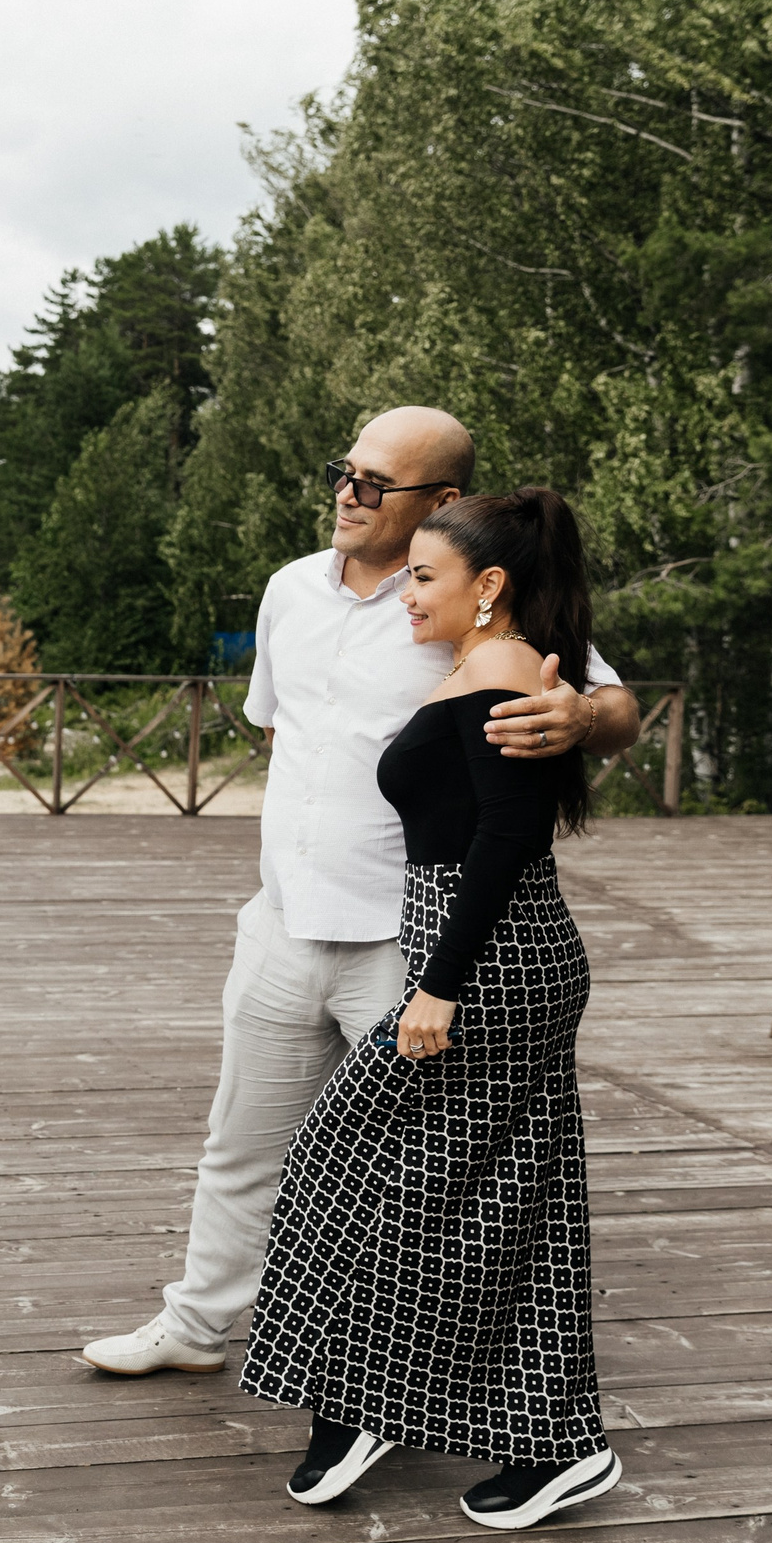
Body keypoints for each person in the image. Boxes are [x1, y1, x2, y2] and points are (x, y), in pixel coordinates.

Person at [80, 405, 639, 1378]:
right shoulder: (290, 589)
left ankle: (391, 1370)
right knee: (240, 1147)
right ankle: (197, 1328)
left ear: (445, 502)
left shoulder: (460, 599)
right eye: (344, 471)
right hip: (281, 925)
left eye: (375, 483)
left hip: (407, 944)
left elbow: (614, 706)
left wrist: (578, 716)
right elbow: (277, 731)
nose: (347, 493)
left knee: (406, 1177)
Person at [242, 486, 619, 1530]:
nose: (406, 594)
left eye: (424, 576)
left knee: (349, 1154)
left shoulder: (500, 668)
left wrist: (437, 987)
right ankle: (558, 1444)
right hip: (494, 951)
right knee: (512, 1199)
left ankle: (360, 1397)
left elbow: (506, 839)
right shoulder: (482, 666)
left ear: (486, 587)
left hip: (490, 961)